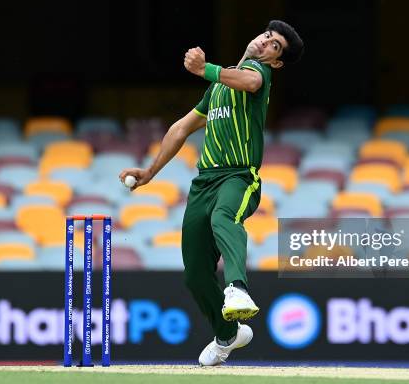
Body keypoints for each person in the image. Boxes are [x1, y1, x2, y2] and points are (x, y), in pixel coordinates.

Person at [120, 20, 304, 366]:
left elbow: (248, 80)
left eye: (275, 46)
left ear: (276, 62)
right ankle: (227, 334)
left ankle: (237, 288)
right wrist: (149, 172)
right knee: (195, 274)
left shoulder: (258, 75)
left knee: (224, 215)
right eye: (267, 36)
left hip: (239, 176)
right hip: (203, 182)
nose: (266, 44)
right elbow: (180, 128)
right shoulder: (219, 87)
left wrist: (206, 69)